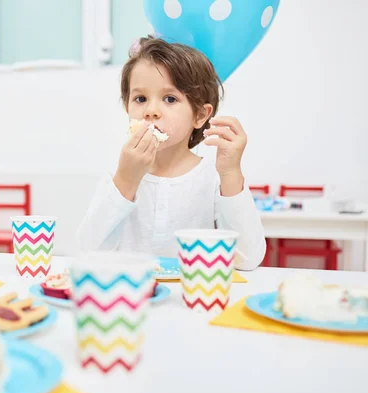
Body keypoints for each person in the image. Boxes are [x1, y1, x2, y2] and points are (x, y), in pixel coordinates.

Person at [76, 36, 265, 270]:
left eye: (170, 99)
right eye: (140, 98)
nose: (151, 111)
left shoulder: (213, 177)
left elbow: (248, 259)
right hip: (133, 297)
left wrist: (231, 173)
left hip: (193, 297)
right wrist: (125, 180)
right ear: (127, 107)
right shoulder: (120, 174)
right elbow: (87, 252)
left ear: (200, 115)